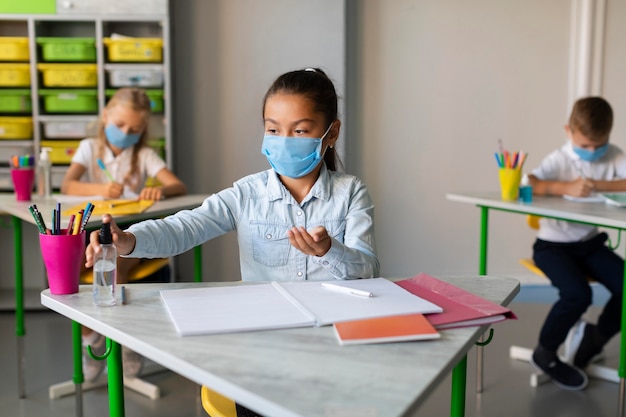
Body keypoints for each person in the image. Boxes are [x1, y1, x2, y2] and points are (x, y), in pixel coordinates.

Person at [86, 67, 379, 280]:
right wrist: (128, 240)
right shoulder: (247, 194)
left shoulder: (351, 193)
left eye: (300, 130)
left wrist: (328, 250)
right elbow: (185, 227)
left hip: (331, 328)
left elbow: (368, 269)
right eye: (273, 130)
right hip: (266, 330)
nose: (284, 140)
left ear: (331, 133)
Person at [61, 87, 187, 381]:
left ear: (143, 130)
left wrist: (159, 188)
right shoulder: (89, 148)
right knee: (72, 272)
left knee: (114, 266)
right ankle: (91, 338)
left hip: (129, 238)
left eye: (135, 129)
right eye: (119, 125)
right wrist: (100, 189)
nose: (126, 132)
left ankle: (124, 341)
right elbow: (68, 186)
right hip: (90, 233)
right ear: (105, 116)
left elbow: (177, 186)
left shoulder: (144, 155)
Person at [528, 96, 625, 390]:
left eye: (600, 145)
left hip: (590, 243)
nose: (593, 151)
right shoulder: (559, 159)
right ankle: (545, 352)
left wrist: (596, 184)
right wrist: (564, 187)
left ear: (609, 134)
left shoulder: (614, 156)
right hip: (552, 246)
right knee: (577, 294)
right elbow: (529, 183)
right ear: (568, 130)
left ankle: (594, 339)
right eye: (585, 146)